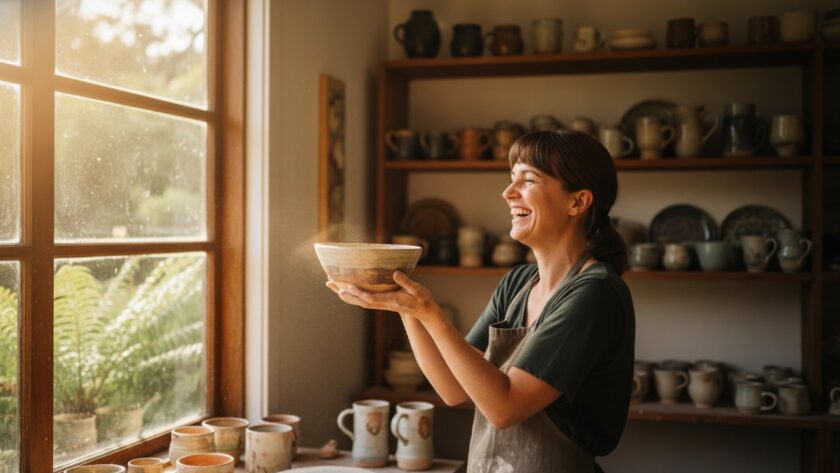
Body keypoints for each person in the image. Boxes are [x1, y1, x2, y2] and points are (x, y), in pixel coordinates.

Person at [326, 130, 635, 473]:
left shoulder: (595, 292)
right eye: (511, 178)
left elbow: (505, 408)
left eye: (528, 180)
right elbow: (452, 389)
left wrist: (431, 313)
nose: (508, 192)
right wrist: (408, 310)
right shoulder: (517, 283)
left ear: (577, 202)